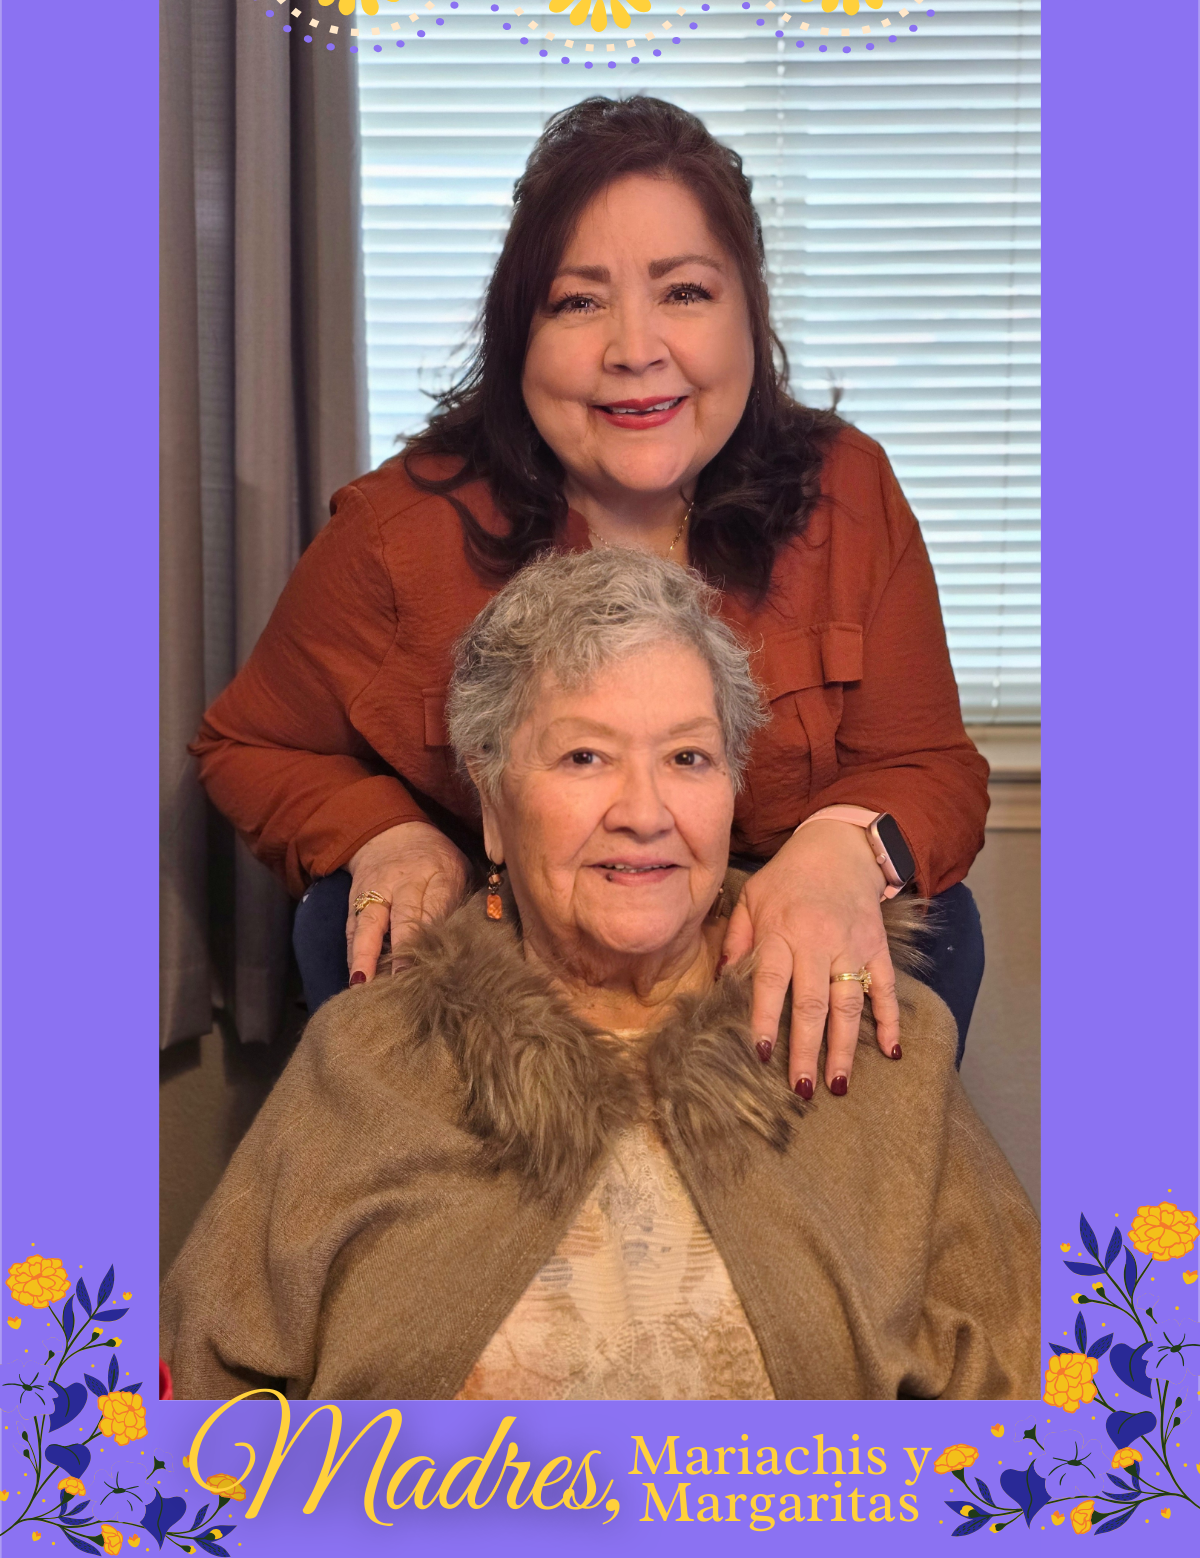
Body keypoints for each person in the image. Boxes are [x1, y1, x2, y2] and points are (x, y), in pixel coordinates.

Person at [191, 94, 989, 1095]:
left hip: (764, 925)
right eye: (578, 302)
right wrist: (383, 833)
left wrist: (841, 853)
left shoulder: (848, 490)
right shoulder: (396, 532)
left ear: (748, 314)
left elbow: (932, 765)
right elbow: (251, 745)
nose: (634, 350)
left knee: (945, 926)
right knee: (337, 919)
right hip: (526, 936)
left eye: (685, 292)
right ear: (517, 333)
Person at [163, 551, 1037, 1401]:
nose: (645, 813)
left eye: (688, 758)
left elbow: (1047, 1413)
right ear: (492, 805)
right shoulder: (369, 1054)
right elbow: (192, 1401)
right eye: (584, 757)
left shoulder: (874, 1035)